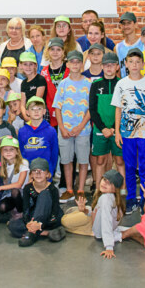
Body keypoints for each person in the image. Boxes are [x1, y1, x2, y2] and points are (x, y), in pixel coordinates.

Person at [112, 48, 145, 212]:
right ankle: (131, 198)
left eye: (138, 62)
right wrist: (117, 131)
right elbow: (118, 109)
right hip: (127, 133)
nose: (135, 65)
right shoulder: (121, 84)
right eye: (131, 62)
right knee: (129, 167)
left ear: (143, 64)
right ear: (126, 64)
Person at [53, 50, 91, 202]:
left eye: (78, 62)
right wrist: (62, 128)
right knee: (66, 160)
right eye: (72, 62)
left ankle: (80, 189)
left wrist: (80, 126)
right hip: (65, 130)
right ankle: (69, 189)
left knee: (83, 160)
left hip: (83, 129)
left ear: (82, 64)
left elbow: (91, 108)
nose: (75, 65)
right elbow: (57, 107)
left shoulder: (89, 83)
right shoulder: (63, 84)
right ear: (67, 64)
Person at [61, 169, 125, 259]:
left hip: (94, 227)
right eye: (104, 180)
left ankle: (117, 235)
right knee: (70, 213)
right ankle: (79, 212)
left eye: (110, 183)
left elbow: (106, 220)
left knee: (65, 221)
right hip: (94, 220)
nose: (105, 183)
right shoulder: (107, 196)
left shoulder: (106, 199)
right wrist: (84, 210)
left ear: (116, 189)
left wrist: (109, 246)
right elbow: (97, 211)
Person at [7, 158, 65, 247]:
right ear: (31, 175)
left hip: (50, 219)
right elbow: (26, 211)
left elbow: (54, 214)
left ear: (48, 174)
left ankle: (31, 234)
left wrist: (40, 224)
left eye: (42, 171)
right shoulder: (28, 188)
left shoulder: (53, 189)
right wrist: (28, 223)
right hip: (34, 217)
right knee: (12, 225)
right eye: (35, 171)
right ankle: (44, 233)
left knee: (44, 194)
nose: (38, 174)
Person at [89, 51, 123, 189]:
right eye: (106, 65)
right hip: (100, 129)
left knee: (120, 161)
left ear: (117, 67)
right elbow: (92, 109)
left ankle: (122, 193)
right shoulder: (96, 84)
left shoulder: (121, 84)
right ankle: (99, 190)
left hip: (118, 130)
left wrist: (114, 128)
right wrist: (103, 128)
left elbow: (124, 108)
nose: (109, 67)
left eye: (112, 64)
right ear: (102, 66)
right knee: (100, 160)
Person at [18, 96, 59, 174]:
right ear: (27, 112)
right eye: (32, 109)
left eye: (39, 109)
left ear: (44, 111)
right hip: (27, 173)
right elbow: (21, 153)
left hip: (45, 174)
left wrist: (50, 172)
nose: (36, 111)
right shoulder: (22, 131)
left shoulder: (51, 131)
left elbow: (54, 154)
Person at [0, 136, 28, 218]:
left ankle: (21, 211)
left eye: (11, 149)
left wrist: (0, 188)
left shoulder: (23, 163)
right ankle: (14, 207)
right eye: (5, 150)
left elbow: (19, 184)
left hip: (22, 194)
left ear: (17, 151)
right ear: (1, 152)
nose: (8, 152)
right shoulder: (3, 165)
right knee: (2, 207)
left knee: (15, 191)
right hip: (9, 194)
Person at [39, 37, 68, 127]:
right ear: (48, 51)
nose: (55, 52)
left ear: (63, 51)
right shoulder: (44, 72)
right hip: (50, 115)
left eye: (58, 49)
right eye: (52, 49)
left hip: (68, 114)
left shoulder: (70, 69)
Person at [115, 12, 143, 77]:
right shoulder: (118, 47)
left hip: (142, 82)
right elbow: (118, 72)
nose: (126, 26)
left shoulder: (144, 44)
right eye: (123, 24)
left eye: (129, 23)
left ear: (136, 24)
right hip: (125, 82)